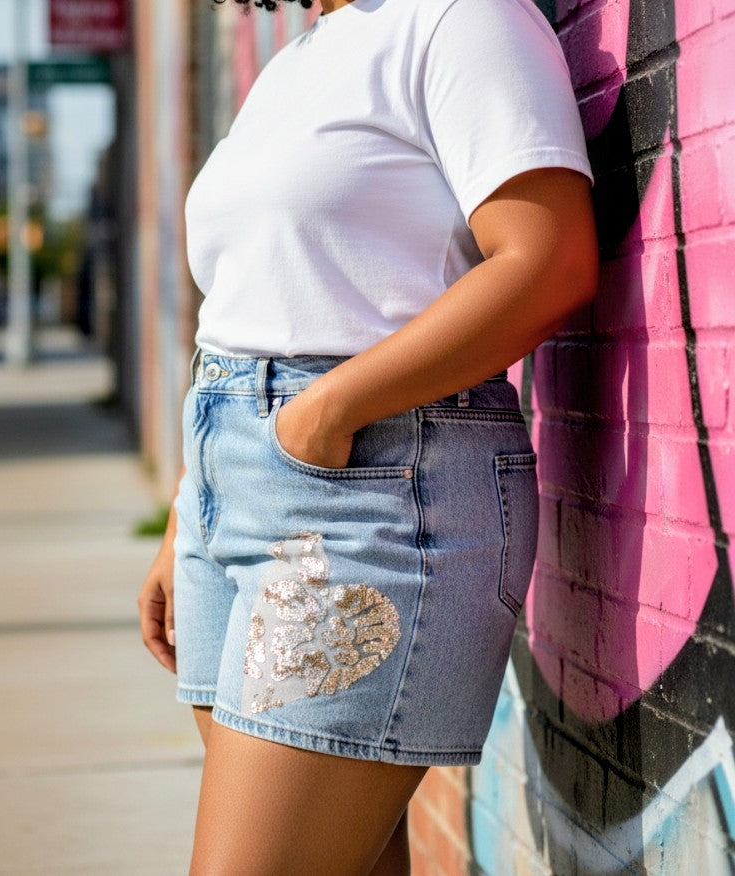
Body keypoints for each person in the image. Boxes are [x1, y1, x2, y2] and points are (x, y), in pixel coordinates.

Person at [138, 0, 598, 871]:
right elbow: (261, 293)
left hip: (366, 493)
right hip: (233, 493)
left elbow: (548, 260)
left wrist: (325, 414)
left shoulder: (460, 19)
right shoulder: (301, 56)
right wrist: (190, 506)